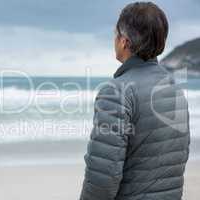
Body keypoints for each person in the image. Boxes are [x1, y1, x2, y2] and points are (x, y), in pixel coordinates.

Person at [79, 2, 190, 200]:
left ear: (124, 41)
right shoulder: (175, 89)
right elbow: (176, 160)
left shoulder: (116, 92)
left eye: (115, 34)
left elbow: (102, 178)